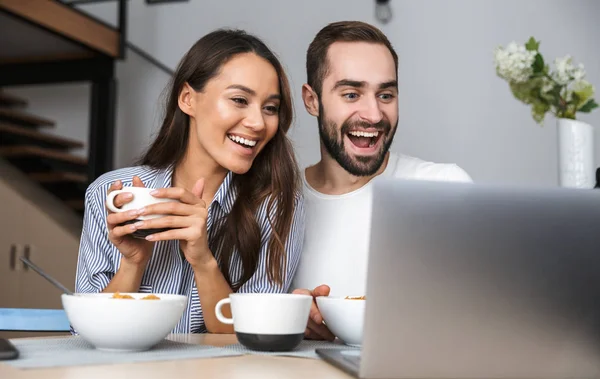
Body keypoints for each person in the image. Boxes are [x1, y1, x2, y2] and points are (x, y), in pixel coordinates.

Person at [75, 29, 305, 334]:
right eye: (239, 100)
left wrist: (203, 259)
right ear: (188, 99)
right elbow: (88, 334)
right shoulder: (109, 194)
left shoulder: (278, 207)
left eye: (270, 108)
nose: (258, 123)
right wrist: (133, 262)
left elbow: (255, 337)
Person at [290, 21, 472, 340]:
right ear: (312, 100)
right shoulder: (277, 202)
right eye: (351, 94)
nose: (373, 115)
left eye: (385, 94)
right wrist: (290, 320)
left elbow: (484, 316)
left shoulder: (444, 187)